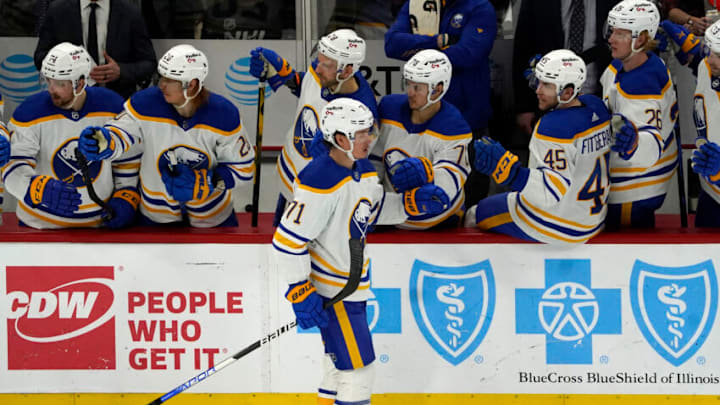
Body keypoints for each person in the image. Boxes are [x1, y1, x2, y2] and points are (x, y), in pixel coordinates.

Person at [272, 98, 447, 405]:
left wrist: (407, 206)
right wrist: (299, 289)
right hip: (335, 292)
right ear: (340, 139)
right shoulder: (319, 180)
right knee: (358, 371)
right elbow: (287, 241)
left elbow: (368, 211)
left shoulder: (362, 170)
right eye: (361, 133)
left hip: (351, 288)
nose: (370, 138)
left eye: (369, 131)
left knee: (337, 367)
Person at [78, 44, 255, 228]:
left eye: (170, 80)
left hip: (212, 218)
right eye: (162, 76)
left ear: (192, 84)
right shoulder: (145, 103)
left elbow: (244, 169)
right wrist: (103, 141)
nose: (161, 84)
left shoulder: (224, 114)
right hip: (155, 218)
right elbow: (120, 132)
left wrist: (209, 181)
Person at [465, 49, 611, 243]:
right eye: (539, 81)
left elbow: (549, 193)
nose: (537, 90)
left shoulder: (552, 127)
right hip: (594, 217)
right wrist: (548, 77)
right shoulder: (597, 107)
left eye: (547, 85)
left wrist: (512, 173)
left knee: (475, 213)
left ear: (568, 92)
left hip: (560, 225)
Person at [2, 42, 138, 229]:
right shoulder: (29, 112)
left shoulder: (111, 105)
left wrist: (126, 195)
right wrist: (32, 188)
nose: (51, 89)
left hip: (98, 227)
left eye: (59, 84)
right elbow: (13, 165)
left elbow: (129, 158)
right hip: (39, 226)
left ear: (80, 83)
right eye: (48, 80)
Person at [248, 29, 378, 223]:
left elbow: (349, 171)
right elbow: (307, 88)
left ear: (348, 70)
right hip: (289, 185)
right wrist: (283, 74)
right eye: (319, 60)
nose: (317, 68)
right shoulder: (324, 73)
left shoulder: (362, 116)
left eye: (325, 65)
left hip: (315, 203)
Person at [384, 0, 496, 207]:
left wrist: (417, 51)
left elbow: (468, 54)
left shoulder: (479, 7)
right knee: (417, 192)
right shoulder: (416, 3)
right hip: (422, 120)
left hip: (467, 118)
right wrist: (440, 40)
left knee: (467, 198)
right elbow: (392, 44)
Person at [371, 49, 471, 230]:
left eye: (417, 87)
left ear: (437, 90)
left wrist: (426, 175)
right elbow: (374, 160)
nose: (410, 92)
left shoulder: (453, 126)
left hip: (440, 222)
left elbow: (448, 186)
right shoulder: (389, 109)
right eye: (408, 84)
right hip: (393, 217)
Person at [601, 0, 678, 228]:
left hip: (635, 186)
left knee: (622, 254)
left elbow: (651, 145)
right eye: (612, 31)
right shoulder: (628, 63)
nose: (611, 39)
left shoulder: (643, 84)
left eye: (621, 34)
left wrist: (635, 141)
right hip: (634, 179)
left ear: (641, 39)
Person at [513, 0, 620, 137]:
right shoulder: (537, 4)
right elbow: (523, 47)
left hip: (604, 101)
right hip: (551, 103)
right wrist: (524, 107)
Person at [34, 0, 157, 99]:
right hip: (70, 101)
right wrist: (67, 67)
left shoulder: (130, 12)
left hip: (116, 101)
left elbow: (149, 63)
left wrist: (121, 71)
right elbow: (40, 57)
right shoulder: (58, 10)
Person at [688, 20, 720, 226]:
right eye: (710, 50)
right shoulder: (705, 68)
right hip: (710, 193)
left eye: (719, 55)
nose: (710, 59)